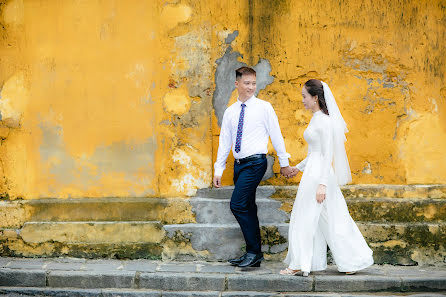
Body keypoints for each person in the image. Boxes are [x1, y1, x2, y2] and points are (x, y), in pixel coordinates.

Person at [280, 79, 374, 276]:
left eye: (305, 96)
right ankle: (351, 262)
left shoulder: (324, 121)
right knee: (332, 217)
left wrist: (322, 184)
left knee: (306, 217)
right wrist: (297, 168)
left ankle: (299, 263)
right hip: (313, 172)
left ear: (315, 97)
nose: (302, 101)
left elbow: (327, 154)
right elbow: (314, 153)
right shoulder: (316, 118)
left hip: (319, 177)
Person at [213, 66, 294, 268]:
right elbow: (225, 141)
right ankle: (253, 254)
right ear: (237, 84)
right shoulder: (231, 112)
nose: (251, 87)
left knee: (237, 204)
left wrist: (284, 163)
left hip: (256, 162)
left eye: (253, 83)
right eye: (247, 83)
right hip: (239, 166)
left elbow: (276, 135)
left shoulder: (264, 107)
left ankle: (254, 252)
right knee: (247, 207)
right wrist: (218, 169)